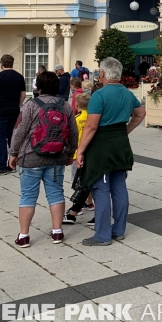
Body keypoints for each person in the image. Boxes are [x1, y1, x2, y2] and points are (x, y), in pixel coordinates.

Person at [76, 57, 145, 246]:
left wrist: (80, 150)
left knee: (101, 188)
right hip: (120, 143)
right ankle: (119, 230)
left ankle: (102, 235)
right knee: (119, 186)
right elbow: (140, 113)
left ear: (103, 73)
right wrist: (125, 130)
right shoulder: (127, 93)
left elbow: (91, 126)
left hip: (102, 146)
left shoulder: (99, 95)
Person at [9, 71, 78, 248]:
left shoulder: (30, 105)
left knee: (28, 196)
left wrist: (13, 153)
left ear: (38, 87)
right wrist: (70, 154)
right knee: (56, 193)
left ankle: (24, 235)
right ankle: (57, 232)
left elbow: (19, 131)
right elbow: (73, 132)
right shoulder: (65, 106)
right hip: (56, 158)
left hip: (31, 157)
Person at [0, 54, 27, 176]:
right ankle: (13, 163)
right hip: (13, 111)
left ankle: (1, 165)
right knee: (12, 138)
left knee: (1, 139)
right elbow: (23, 94)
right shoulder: (19, 77)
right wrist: (18, 104)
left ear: (1, 64)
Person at [63, 92, 94, 224]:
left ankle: (77, 206)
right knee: (89, 180)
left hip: (77, 153)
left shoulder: (76, 118)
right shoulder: (92, 118)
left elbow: (71, 136)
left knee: (78, 182)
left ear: (76, 105)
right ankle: (89, 202)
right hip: (90, 153)